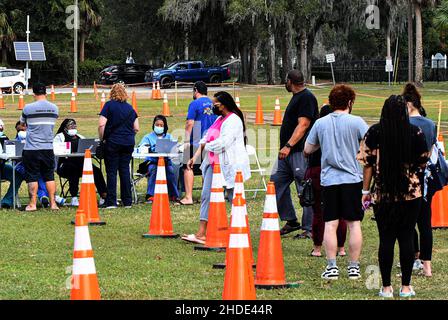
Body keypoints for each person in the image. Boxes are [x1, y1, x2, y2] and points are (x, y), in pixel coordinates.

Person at [358, 95, 429, 298]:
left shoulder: (374, 132)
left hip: (382, 194)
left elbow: (367, 164)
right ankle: (406, 287)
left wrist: (365, 191)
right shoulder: (415, 133)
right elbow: (423, 163)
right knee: (406, 237)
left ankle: (386, 287)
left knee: (386, 239)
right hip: (410, 194)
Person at [305, 84, 368, 280]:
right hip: (352, 179)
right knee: (354, 224)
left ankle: (331, 267)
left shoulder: (321, 123)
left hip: (330, 180)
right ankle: (353, 267)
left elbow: (308, 149)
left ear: (331, 103)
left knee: (330, 224)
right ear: (350, 102)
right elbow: (371, 142)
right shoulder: (357, 122)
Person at [181, 91, 250, 244]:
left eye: (215, 104)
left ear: (223, 105)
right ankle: (201, 233)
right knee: (206, 196)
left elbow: (223, 142)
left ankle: (240, 231)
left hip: (230, 165)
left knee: (234, 197)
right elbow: (206, 137)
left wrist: (207, 147)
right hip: (214, 164)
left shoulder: (233, 120)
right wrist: (196, 156)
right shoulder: (219, 118)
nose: (213, 107)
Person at [271, 70, 319, 236]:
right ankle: (291, 220)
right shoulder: (297, 97)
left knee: (305, 188)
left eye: (286, 81)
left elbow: (304, 125)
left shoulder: (306, 98)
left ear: (290, 81)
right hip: (287, 154)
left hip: (299, 152)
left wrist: (289, 145)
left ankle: (309, 228)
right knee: (275, 183)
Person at [302, 105, 348, 257]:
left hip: (317, 171)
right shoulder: (341, 132)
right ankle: (341, 248)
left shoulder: (316, 129)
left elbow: (306, 151)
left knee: (319, 212)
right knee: (340, 212)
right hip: (339, 173)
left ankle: (317, 248)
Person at [403, 83, 436, 277]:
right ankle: (427, 266)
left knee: (407, 222)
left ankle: (414, 258)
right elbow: (430, 152)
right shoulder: (430, 124)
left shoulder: (404, 125)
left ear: (408, 104)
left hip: (408, 177)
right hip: (426, 176)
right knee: (425, 222)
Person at [19, 82, 59, 211]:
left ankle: (32, 203)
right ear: (46, 92)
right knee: (49, 176)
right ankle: (53, 203)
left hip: (32, 148)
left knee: (32, 176)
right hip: (47, 147)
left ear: (34, 93)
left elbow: (22, 124)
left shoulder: (28, 108)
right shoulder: (54, 108)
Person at [98, 84, 139, 209]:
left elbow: (101, 125)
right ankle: (127, 201)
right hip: (128, 142)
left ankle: (111, 201)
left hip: (113, 142)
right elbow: (136, 128)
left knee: (111, 172)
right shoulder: (130, 108)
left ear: (112, 93)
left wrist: (102, 139)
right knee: (124, 170)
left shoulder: (109, 105)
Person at [178, 81, 217, 205]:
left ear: (196, 90)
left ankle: (188, 197)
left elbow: (190, 123)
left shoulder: (194, 104)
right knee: (207, 168)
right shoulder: (214, 103)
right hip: (212, 140)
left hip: (196, 140)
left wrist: (186, 141)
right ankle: (207, 196)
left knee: (188, 166)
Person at [54, 119, 107, 206]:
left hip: (81, 165)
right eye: (71, 126)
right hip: (65, 165)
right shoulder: (59, 137)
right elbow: (56, 150)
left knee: (96, 170)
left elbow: (88, 147)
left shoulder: (80, 137)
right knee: (72, 169)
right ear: (65, 128)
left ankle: (103, 195)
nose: (73, 127)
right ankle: (74, 197)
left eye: (75, 126)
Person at [15, 122, 65, 208]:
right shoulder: (16, 141)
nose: (22, 131)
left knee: (38, 174)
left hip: (35, 166)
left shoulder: (35, 140)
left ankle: (44, 197)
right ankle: (49, 196)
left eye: (24, 129)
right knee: (35, 175)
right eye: (20, 130)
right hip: (21, 166)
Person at [138, 115, 179, 203]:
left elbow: (175, 147)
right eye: (157, 125)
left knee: (170, 172)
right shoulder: (147, 137)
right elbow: (142, 147)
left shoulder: (169, 136)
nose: (159, 127)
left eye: (161, 125)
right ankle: (150, 195)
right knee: (153, 170)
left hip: (166, 162)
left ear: (165, 126)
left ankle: (173, 194)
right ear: (154, 125)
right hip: (152, 162)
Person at [0, 120, 24, 209]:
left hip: (2, 166)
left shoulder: (3, 137)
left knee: (17, 176)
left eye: (1, 126)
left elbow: (9, 150)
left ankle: (7, 201)